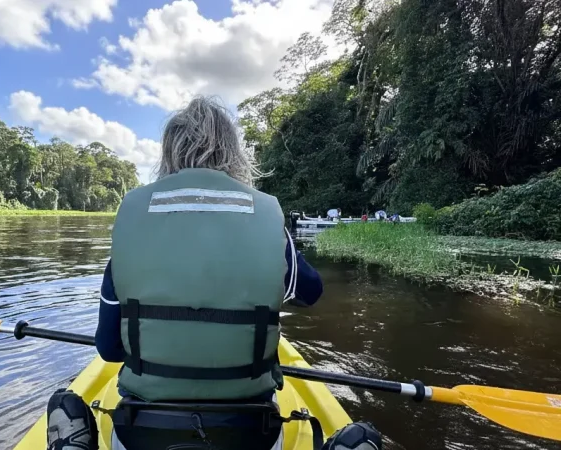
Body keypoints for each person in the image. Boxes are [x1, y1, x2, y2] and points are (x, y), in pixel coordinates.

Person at [46, 96, 382, 450]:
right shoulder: (266, 216)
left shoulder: (131, 221)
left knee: (64, 404)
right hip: (250, 434)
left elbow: (109, 349)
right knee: (360, 436)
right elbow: (310, 292)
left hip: (143, 432)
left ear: (168, 153)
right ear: (232, 153)